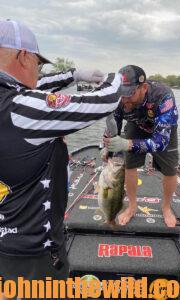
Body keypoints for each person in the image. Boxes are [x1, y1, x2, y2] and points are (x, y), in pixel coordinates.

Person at [0, 19, 122, 285]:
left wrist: (74, 74)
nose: (40, 71)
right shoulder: (22, 109)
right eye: (39, 63)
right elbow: (106, 99)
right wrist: (119, 77)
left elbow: (37, 87)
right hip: (33, 255)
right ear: (24, 57)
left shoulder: (10, 100)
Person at [104, 65, 179, 228]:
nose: (124, 101)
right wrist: (107, 144)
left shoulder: (163, 96)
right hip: (136, 125)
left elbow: (160, 142)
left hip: (163, 130)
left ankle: (166, 207)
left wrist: (127, 143)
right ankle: (132, 206)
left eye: (129, 94)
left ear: (143, 87)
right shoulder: (119, 99)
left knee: (170, 170)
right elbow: (112, 124)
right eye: (121, 95)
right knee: (129, 165)